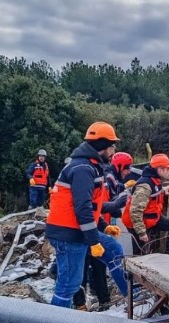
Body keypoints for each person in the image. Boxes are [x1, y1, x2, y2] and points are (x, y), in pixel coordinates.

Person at [46, 122, 129, 309]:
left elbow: (90, 206)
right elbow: (82, 207)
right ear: (101, 145)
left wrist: (103, 226)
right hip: (68, 233)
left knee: (114, 250)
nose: (114, 149)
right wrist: (93, 241)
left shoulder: (91, 166)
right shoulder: (83, 168)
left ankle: (134, 297)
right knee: (69, 284)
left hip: (77, 229)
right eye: (112, 145)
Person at [122, 153, 169, 256]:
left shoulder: (155, 180)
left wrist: (162, 191)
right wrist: (142, 232)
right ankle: (133, 271)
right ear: (160, 170)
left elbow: (153, 192)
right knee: (139, 255)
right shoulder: (145, 186)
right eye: (168, 169)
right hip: (136, 223)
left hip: (151, 218)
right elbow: (135, 211)